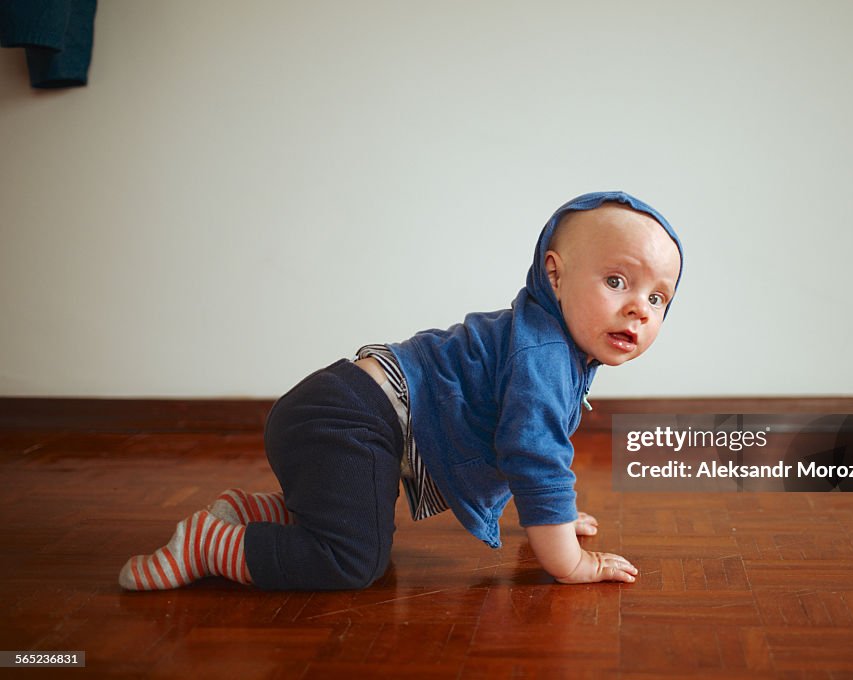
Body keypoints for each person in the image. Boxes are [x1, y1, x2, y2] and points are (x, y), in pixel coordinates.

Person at [118, 190, 684, 591]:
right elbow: (534, 454)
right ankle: (210, 546)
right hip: (347, 419)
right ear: (554, 274)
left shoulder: (544, 340)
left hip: (340, 412)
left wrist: (556, 514)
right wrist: (571, 562)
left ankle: (256, 514)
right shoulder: (544, 357)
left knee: (357, 523)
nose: (639, 306)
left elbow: (521, 437)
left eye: (658, 298)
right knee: (353, 562)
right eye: (616, 281)